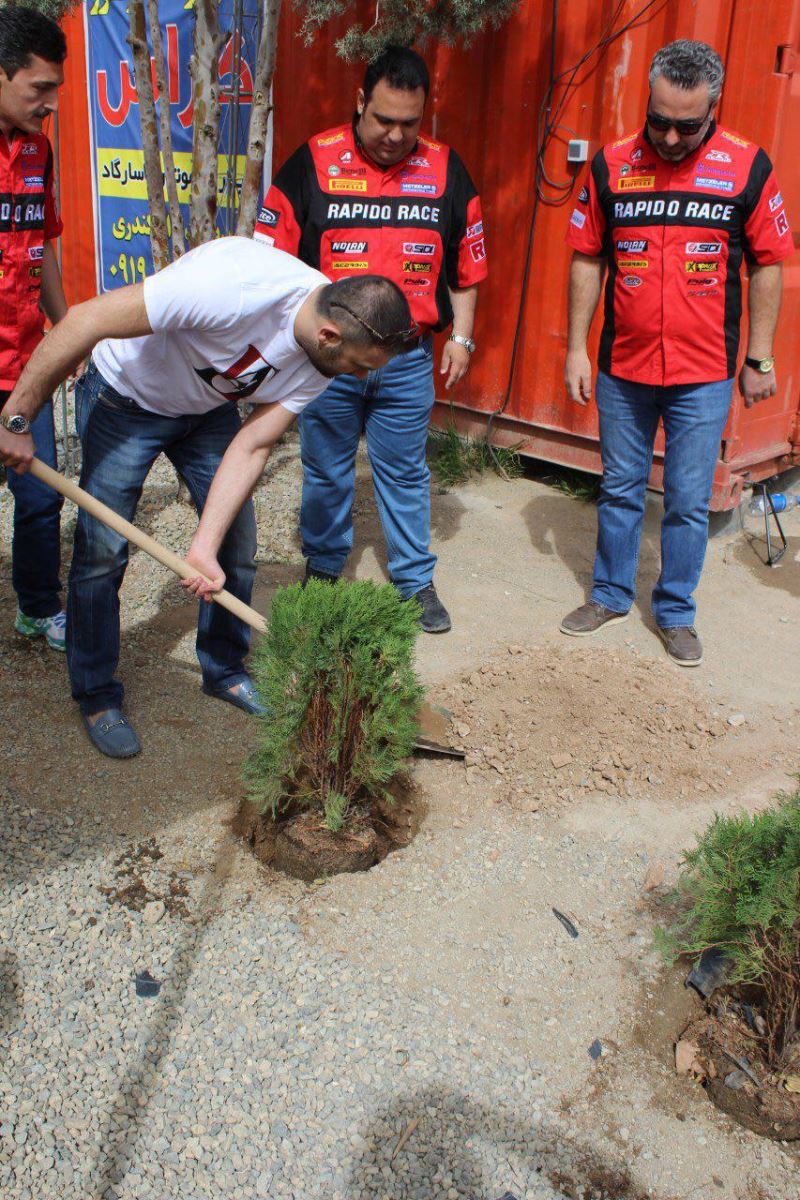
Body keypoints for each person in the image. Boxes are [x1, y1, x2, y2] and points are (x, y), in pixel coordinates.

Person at [0, 237, 413, 757]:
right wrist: (18, 417)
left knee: (234, 547)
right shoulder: (232, 287)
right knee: (102, 553)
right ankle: (97, 694)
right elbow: (85, 319)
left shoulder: (326, 353)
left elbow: (255, 442)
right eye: (357, 367)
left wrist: (203, 546)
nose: (357, 378)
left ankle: (223, 669)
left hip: (209, 410)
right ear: (329, 334)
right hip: (126, 395)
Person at [561, 39, 791, 666]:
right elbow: (588, 256)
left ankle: (675, 611)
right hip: (623, 368)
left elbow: (770, 265)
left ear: (712, 108)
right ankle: (609, 595)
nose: (665, 136)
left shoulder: (746, 167)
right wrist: (577, 350)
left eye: (684, 126)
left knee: (689, 501)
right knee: (620, 488)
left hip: (705, 373)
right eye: (655, 119)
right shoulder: (611, 164)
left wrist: (760, 358)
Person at [254, 44, 488, 634]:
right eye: (383, 119)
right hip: (329, 362)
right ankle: (325, 571)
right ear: (359, 102)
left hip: (408, 360)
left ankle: (414, 581)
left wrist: (462, 336)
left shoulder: (446, 170)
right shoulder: (310, 163)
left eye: (409, 123)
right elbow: (269, 261)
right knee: (327, 470)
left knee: (405, 471)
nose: (394, 134)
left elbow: (465, 263)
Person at [0, 5, 68, 651]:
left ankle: (39, 608)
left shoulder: (39, 151)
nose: (49, 104)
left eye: (56, 90)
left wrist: (68, 329)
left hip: (26, 361)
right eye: (38, 88)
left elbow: (42, 243)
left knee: (42, 498)